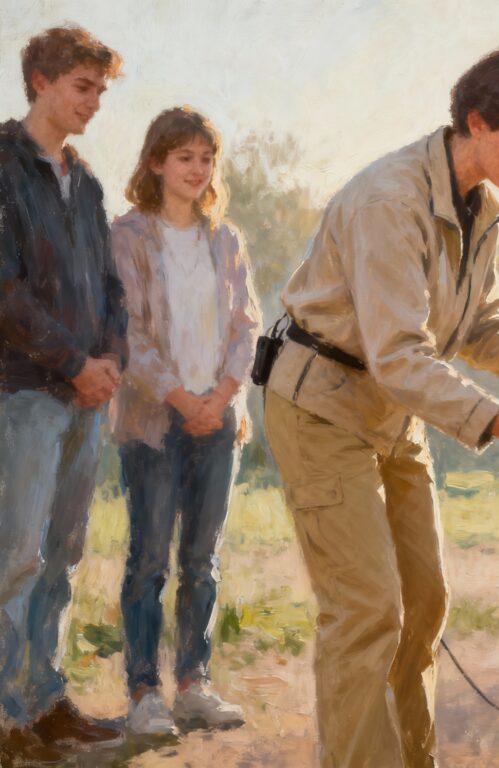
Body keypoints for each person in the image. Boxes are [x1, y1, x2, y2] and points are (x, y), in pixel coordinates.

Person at [263, 48, 499, 767]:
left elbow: (474, 329)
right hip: (321, 406)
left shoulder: (481, 209)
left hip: (394, 412)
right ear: (477, 122)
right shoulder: (389, 201)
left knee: (423, 605)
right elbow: (398, 355)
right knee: (366, 612)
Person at [110, 107, 260, 738]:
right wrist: (181, 399)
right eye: (184, 158)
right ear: (156, 163)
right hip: (154, 421)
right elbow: (131, 337)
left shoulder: (225, 239)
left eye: (206, 159)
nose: (197, 170)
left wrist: (221, 396)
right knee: (149, 559)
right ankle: (144, 692)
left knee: (203, 558)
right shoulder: (129, 236)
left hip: (218, 419)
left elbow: (246, 325)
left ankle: (194, 684)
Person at [0, 25, 126, 764]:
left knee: (62, 555)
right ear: (41, 81)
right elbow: (5, 292)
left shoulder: (87, 182)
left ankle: (44, 700)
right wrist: (73, 360)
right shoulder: (1, 164)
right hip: (23, 392)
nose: (95, 103)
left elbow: (111, 289)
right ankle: (5, 715)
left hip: (86, 398)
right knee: (15, 554)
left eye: (102, 90)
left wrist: (108, 363)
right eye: (84, 87)